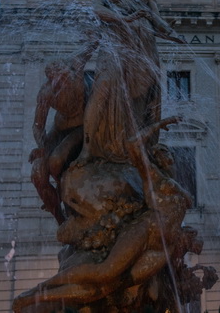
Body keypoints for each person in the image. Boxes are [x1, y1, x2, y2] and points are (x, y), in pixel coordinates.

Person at [12, 117, 192, 311]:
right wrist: (158, 125)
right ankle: (39, 290)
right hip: (146, 231)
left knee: (107, 287)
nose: (170, 155)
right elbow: (133, 145)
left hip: (164, 243)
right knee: (104, 272)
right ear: (155, 158)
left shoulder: (172, 182)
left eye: (169, 152)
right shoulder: (151, 175)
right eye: (163, 152)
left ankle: (40, 296)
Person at [76, 0, 183, 166]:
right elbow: (98, 9)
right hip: (116, 42)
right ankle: (87, 149)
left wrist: (170, 31)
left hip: (144, 43)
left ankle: (140, 151)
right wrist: (122, 19)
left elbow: (155, 17)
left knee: (143, 97)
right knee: (103, 89)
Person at [29, 40, 97, 224]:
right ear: (51, 80)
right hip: (59, 129)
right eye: (56, 81)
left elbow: (91, 44)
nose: (61, 83)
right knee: (37, 173)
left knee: (57, 161)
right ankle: (60, 218)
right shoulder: (46, 93)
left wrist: (95, 33)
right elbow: (37, 125)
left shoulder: (77, 65)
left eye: (64, 77)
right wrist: (42, 146)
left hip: (84, 126)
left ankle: (65, 193)